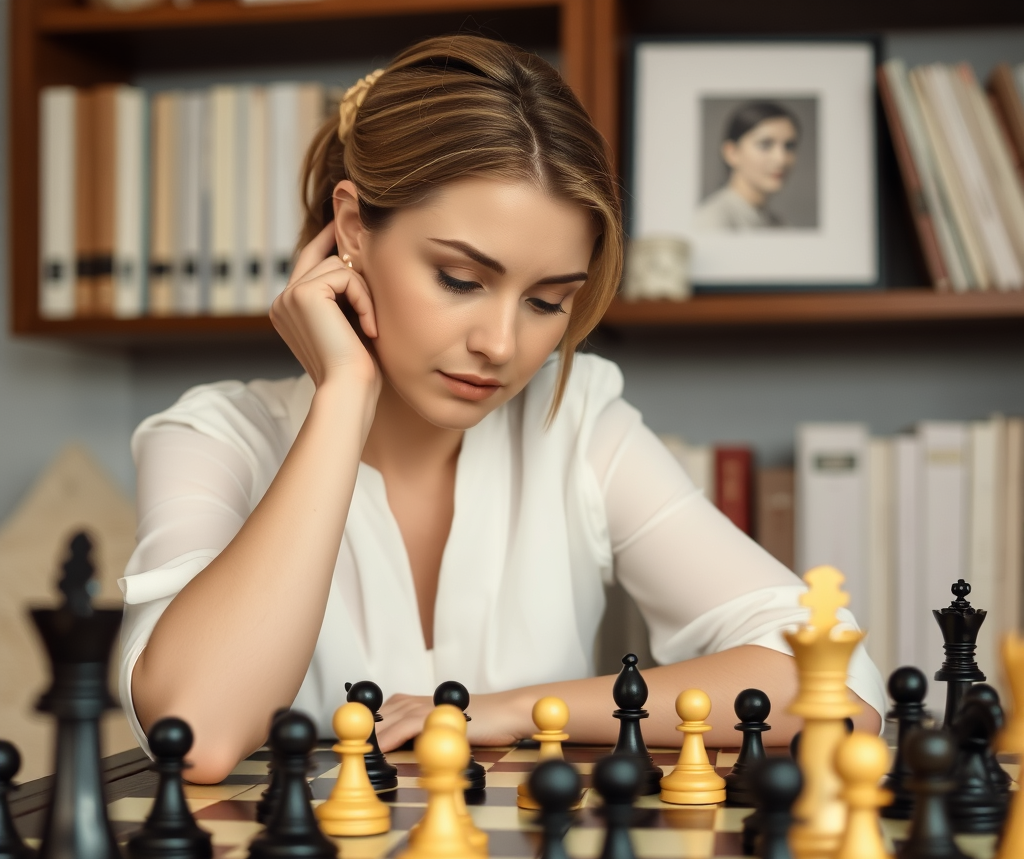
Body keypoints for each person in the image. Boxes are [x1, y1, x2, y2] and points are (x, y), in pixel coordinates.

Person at [118, 38, 882, 783]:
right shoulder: (211, 439)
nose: (503, 344)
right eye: (459, 278)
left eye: (549, 300)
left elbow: (840, 694)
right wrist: (343, 394)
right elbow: (199, 737)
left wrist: (518, 710)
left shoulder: (576, 421)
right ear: (352, 229)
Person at [693, 100, 800, 231]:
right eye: (765, 144)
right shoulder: (710, 222)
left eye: (789, 146)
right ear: (732, 153)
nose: (781, 159)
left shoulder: (781, 227)